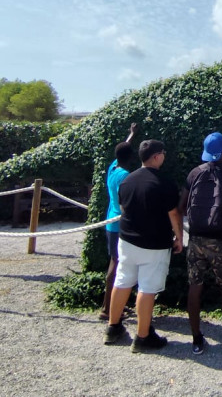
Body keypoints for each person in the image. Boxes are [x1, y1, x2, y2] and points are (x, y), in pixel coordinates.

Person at [104, 139, 183, 353]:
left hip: (127, 240)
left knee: (122, 281)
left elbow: (122, 207)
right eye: (163, 153)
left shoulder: (127, 181)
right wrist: (179, 238)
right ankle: (143, 335)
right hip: (154, 243)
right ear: (157, 156)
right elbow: (173, 214)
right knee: (147, 288)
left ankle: (113, 327)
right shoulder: (164, 182)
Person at [181, 131, 222, 356]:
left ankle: (197, 340)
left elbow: (182, 205)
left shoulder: (194, 173)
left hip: (196, 239)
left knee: (195, 285)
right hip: (220, 239)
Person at [99, 123, 138, 321]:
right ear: (131, 158)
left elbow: (122, 149)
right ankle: (108, 308)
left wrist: (131, 135)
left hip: (109, 223)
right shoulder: (126, 176)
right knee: (116, 265)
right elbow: (126, 202)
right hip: (120, 223)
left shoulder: (112, 168)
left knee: (115, 262)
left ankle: (112, 305)